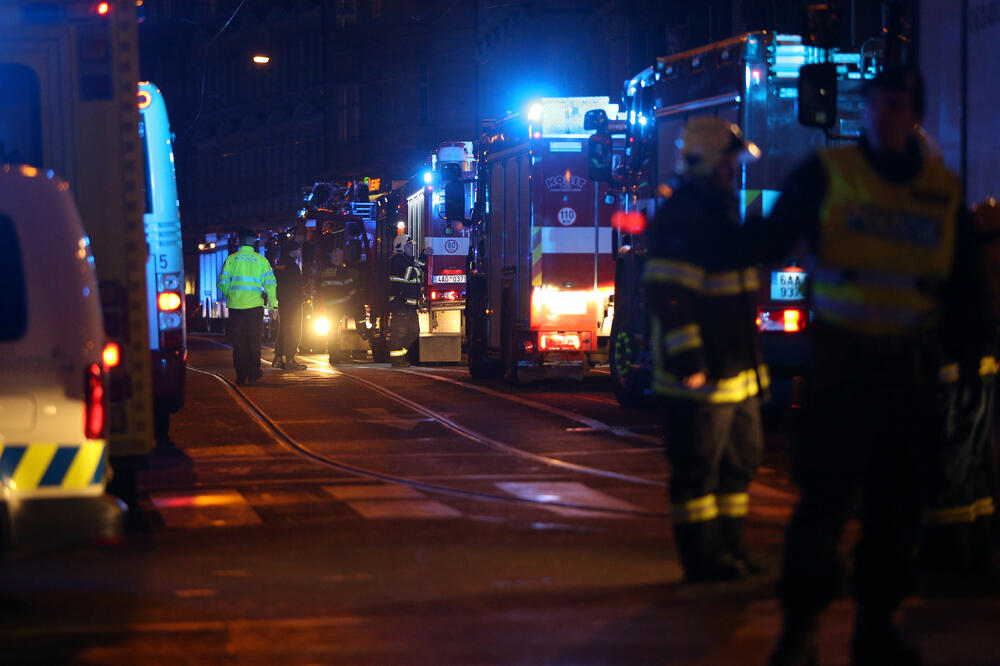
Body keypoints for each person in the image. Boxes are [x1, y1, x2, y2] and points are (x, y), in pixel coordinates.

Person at [757, 67, 989, 666]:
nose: (885, 114)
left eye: (897, 104)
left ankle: (875, 629)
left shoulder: (941, 192)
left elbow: (965, 287)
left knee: (895, 511)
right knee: (825, 504)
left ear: (914, 113)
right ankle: (800, 629)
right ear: (863, 112)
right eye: (876, 104)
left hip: (908, 371)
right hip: (844, 366)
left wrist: (965, 362)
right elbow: (772, 237)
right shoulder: (830, 175)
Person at [641, 116, 768, 583]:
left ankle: (730, 552)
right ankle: (702, 561)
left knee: (738, 467)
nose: (735, 173)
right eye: (730, 164)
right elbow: (670, 298)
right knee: (697, 473)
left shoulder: (720, 212)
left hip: (735, 372)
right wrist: (688, 361)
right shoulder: (682, 219)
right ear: (709, 164)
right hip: (698, 377)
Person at [217, 229, 279, 385]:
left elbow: (222, 283)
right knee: (254, 341)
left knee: (239, 343)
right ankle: (254, 373)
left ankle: (241, 376)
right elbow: (271, 285)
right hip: (255, 307)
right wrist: (274, 307)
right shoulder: (261, 260)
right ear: (254, 241)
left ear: (240, 241)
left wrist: (232, 296)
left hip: (236, 308)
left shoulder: (232, 259)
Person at [318, 248, 358, 365]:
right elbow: (349, 288)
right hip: (341, 304)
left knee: (332, 331)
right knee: (339, 331)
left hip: (329, 305)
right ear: (339, 258)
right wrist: (355, 297)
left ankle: (333, 354)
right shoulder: (342, 271)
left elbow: (318, 287)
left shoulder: (324, 271)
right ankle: (338, 355)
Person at [387, 234, 422, 367]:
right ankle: (396, 360)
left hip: (410, 306)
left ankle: (400, 356)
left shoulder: (409, 261)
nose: (411, 248)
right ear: (400, 247)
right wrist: (415, 267)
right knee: (399, 333)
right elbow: (408, 275)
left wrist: (422, 257)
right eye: (408, 245)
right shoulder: (397, 261)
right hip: (401, 304)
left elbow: (419, 269)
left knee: (414, 332)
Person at [272, 240, 307, 370]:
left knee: (284, 329)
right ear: (293, 251)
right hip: (293, 302)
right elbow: (297, 284)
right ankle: (290, 359)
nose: (299, 252)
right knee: (294, 330)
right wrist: (306, 278)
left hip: (283, 301)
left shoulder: (280, 264)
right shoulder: (293, 267)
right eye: (298, 250)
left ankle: (278, 358)